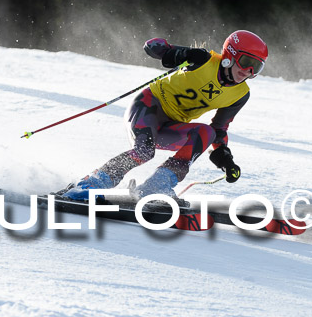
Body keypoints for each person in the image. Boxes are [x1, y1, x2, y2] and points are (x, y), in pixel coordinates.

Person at [61, 30, 268, 202]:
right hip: (148, 108)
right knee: (144, 151)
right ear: (230, 55)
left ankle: (155, 187)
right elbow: (161, 51)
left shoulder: (240, 94)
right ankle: (91, 184)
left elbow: (219, 129)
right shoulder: (203, 60)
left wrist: (225, 159)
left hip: (172, 125)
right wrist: (161, 49)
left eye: (256, 67)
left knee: (205, 132)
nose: (248, 71)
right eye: (246, 62)